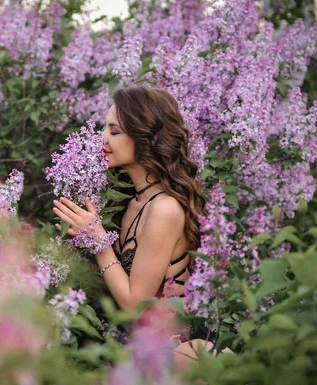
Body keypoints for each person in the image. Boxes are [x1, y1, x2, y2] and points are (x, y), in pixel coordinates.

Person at [52, 85, 213, 370]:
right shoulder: (136, 203)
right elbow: (116, 281)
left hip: (173, 360)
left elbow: (135, 305)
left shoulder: (164, 209)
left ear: (144, 137)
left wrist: (98, 241)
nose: (102, 139)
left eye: (114, 132)